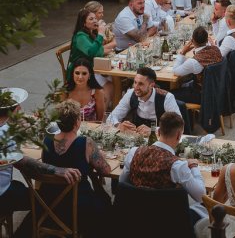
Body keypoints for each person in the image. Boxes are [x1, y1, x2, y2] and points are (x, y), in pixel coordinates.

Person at [0, 96, 81, 221]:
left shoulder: (6, 129)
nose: (21, 108)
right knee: (45, 198)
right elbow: (21, 162)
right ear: (13, 111)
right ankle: (52, 224)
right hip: (2, 196)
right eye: (18, 106)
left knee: (20, 186)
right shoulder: (5, 133)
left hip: (6, 186)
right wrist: (57, 170)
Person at [120, 112, 207, 225]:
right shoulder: (177, 166)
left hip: (137, 216)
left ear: (159, 132)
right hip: (169, 222)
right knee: (205, 209)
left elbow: (122, 183)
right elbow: (201, 196)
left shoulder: (134, 152)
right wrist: (194, 166)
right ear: (179, 135)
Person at [41, 100, 112, 238]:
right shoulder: (85, 143)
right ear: (76, 123)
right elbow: (106, 171)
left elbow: (45, 161)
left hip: (48, 203)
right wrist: (98, 155)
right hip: (79, 207)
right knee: (105, 202)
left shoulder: (47, 139)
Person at [106, 67, 181, 135]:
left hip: (160, 139)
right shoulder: (130, 94)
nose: (136, 87)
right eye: (135, 82)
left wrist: (153, 130)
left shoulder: (167, 98)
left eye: (141, 84)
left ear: (151, 85)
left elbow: (178, 125)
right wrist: (118, 125)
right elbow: (111, 117)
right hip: (136, 138)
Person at [172, 26, 223, 104]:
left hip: (201, 95)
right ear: (207, 40)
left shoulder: (194, 62)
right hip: (218, 90)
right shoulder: (216, 49)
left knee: (169, 94)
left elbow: (175, 71)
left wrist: (182, 52)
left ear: (192, 41)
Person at [67, 8, 115, 82]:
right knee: (112, 81)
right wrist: (100, 35)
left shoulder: (91, 33)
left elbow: (97, 52)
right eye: (91, 19)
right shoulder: (80, 37)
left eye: (95, 18)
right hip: (81, 71)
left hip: (93, 67)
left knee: (114, 78)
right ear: (84, 23)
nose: (95, 21)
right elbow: (92, 53)